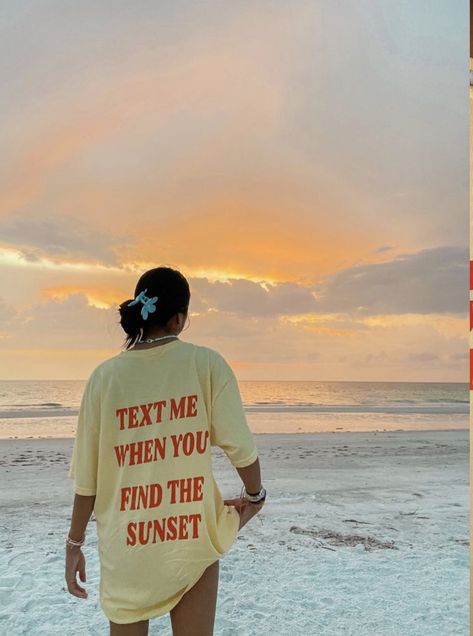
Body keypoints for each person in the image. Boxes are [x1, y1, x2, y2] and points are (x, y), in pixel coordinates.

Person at [65, 266, 266, 636]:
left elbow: (87, 480)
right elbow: (241, 449)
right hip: (190, 537)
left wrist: (73, 544)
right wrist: (255, 496)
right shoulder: (207, 365)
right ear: (178, 318)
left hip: (127, 546)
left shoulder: (103, 379)